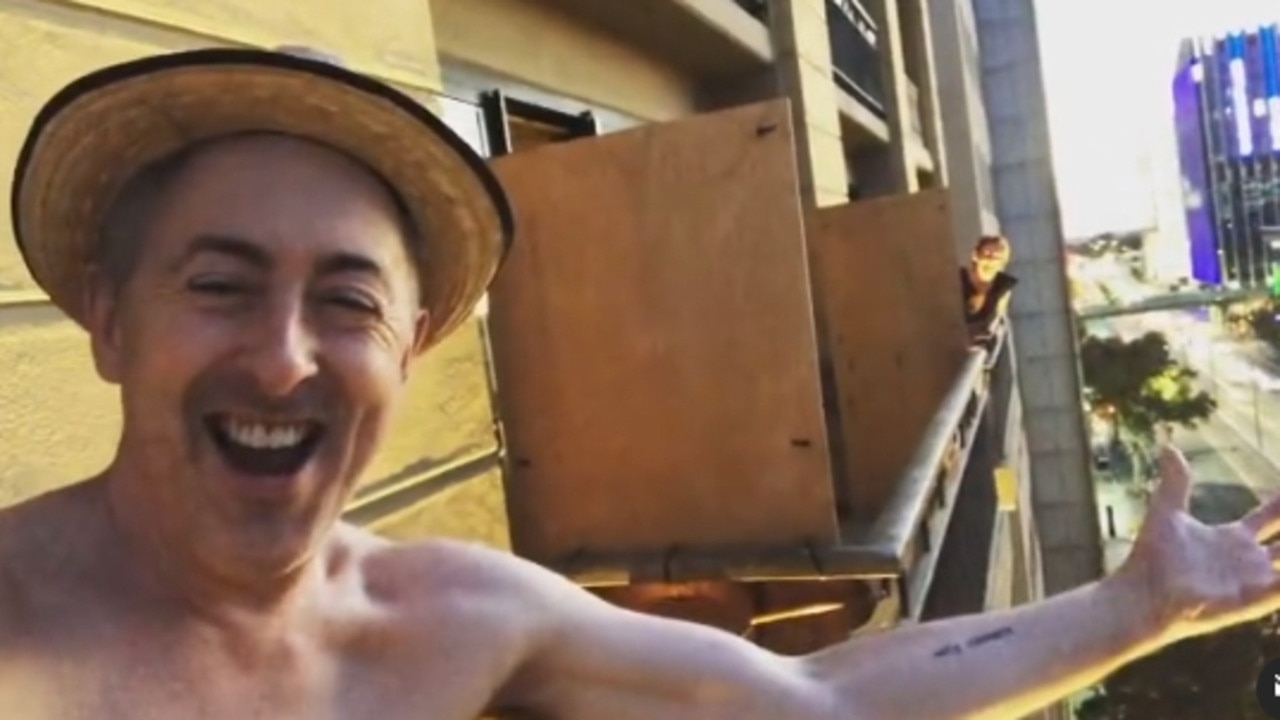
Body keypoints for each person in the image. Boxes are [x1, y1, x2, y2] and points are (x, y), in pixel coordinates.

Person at [2, 47, 1280, 720]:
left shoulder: (454, 616)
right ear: (108, 321)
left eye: (347, 302)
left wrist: (1136, 608)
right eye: (219, 285)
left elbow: (814, 697)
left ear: (412, 345)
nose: (285, 355)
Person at [960, 234, 1018, 341]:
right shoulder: (957, 278)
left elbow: (994, 323)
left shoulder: (1002, 289)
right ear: (975, 255)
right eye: (987, 255)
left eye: (997, 258)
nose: (991, 261)